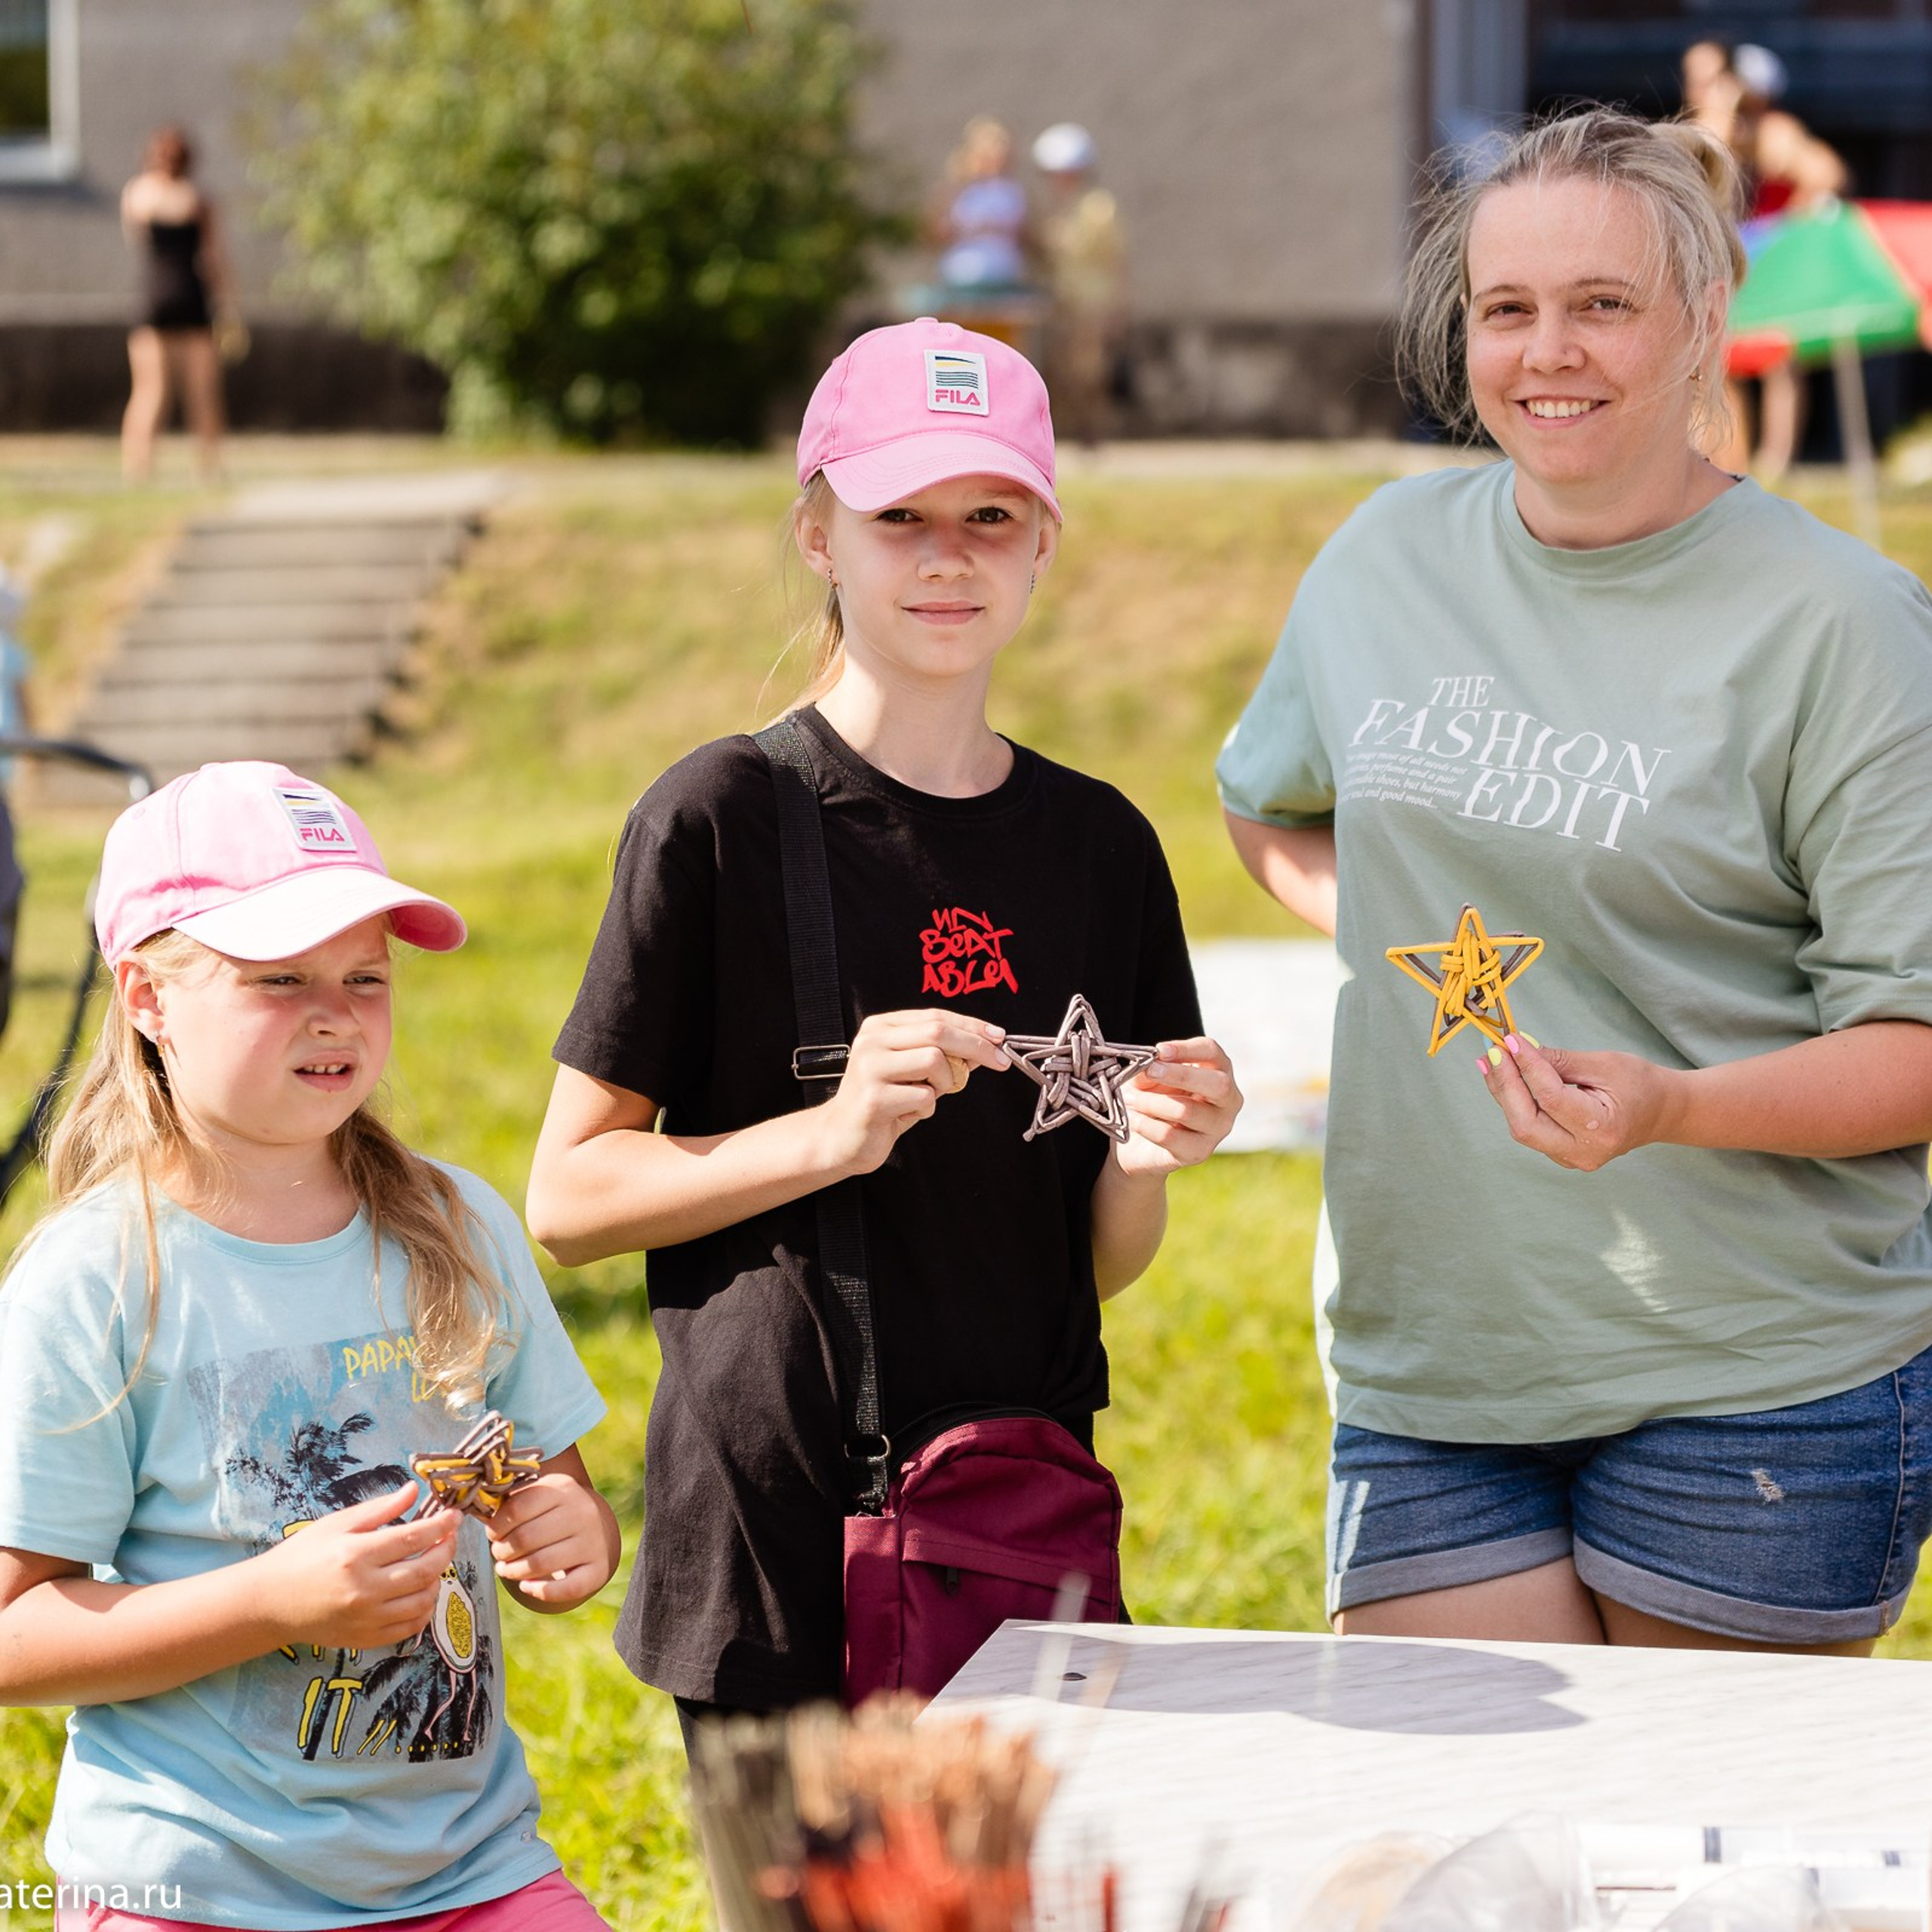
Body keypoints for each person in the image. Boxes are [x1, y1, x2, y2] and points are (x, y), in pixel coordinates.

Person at [1218, 109, 1932, 1657]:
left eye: (1602, 303)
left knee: (1692, 1892)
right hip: (1436, 1359)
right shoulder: (1377, 557)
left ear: (1700, 323)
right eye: (1506, 308)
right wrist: (1412, 942)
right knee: (1461, 1876)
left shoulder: (1843, 625)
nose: (1549, 351)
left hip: (1754, 1366)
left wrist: (1671, 1105)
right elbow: (1264, 805)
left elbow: (1915, 1049)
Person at [527, 317, 1241, 1739]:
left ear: (1046, 542)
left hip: (1012, 1522)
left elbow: (1091, 1268)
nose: (946, 556)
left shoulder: (1102, 846)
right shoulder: (717, 819)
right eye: (897, 516)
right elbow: (571, 1198)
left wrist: (1150, 1157)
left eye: (990, 516)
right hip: (775, 1536)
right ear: (817, 534)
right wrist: (832, 1136)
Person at [0, 761, 620, 1930]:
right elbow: (12, 1633)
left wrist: (569, 1539)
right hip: (195, 1883)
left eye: (365, 976)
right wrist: (275, 1602)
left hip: (468, 1872)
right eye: (278, 978)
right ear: (144, 995)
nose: (335, 1012)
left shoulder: (457, 1224)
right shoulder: (93, 1283)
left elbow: (555, 1493)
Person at [1681, 40, 1847, 481]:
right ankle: (1719, 462)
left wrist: (1788, 228)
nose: (1701, 86)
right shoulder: (1698, 128)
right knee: (1716, 359)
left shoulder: (1772, 130)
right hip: (1722, 260)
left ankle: (1776, 463)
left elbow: (1828, 175)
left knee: (1780, 358)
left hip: (1768, 258)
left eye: (1712, 77)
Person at [120, 125, 235, 485]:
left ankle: (199, 466)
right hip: (170, 299)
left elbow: (212, 257)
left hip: (178, 299)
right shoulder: (176, 197)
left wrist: (228, 306)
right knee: (163, 392)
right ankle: (148, 467)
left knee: (187, 392)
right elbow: (212, 258)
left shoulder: (174, 197)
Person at [1031, 122, 1129, 448]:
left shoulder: (1098, 208)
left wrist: (1116, 310)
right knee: (1057, 375)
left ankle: (1092, 438)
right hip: (1058, 305)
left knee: (1089, 374)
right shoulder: (1055, 209)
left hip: (1090, 305)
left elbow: (1116, 261)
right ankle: (1059, 440)